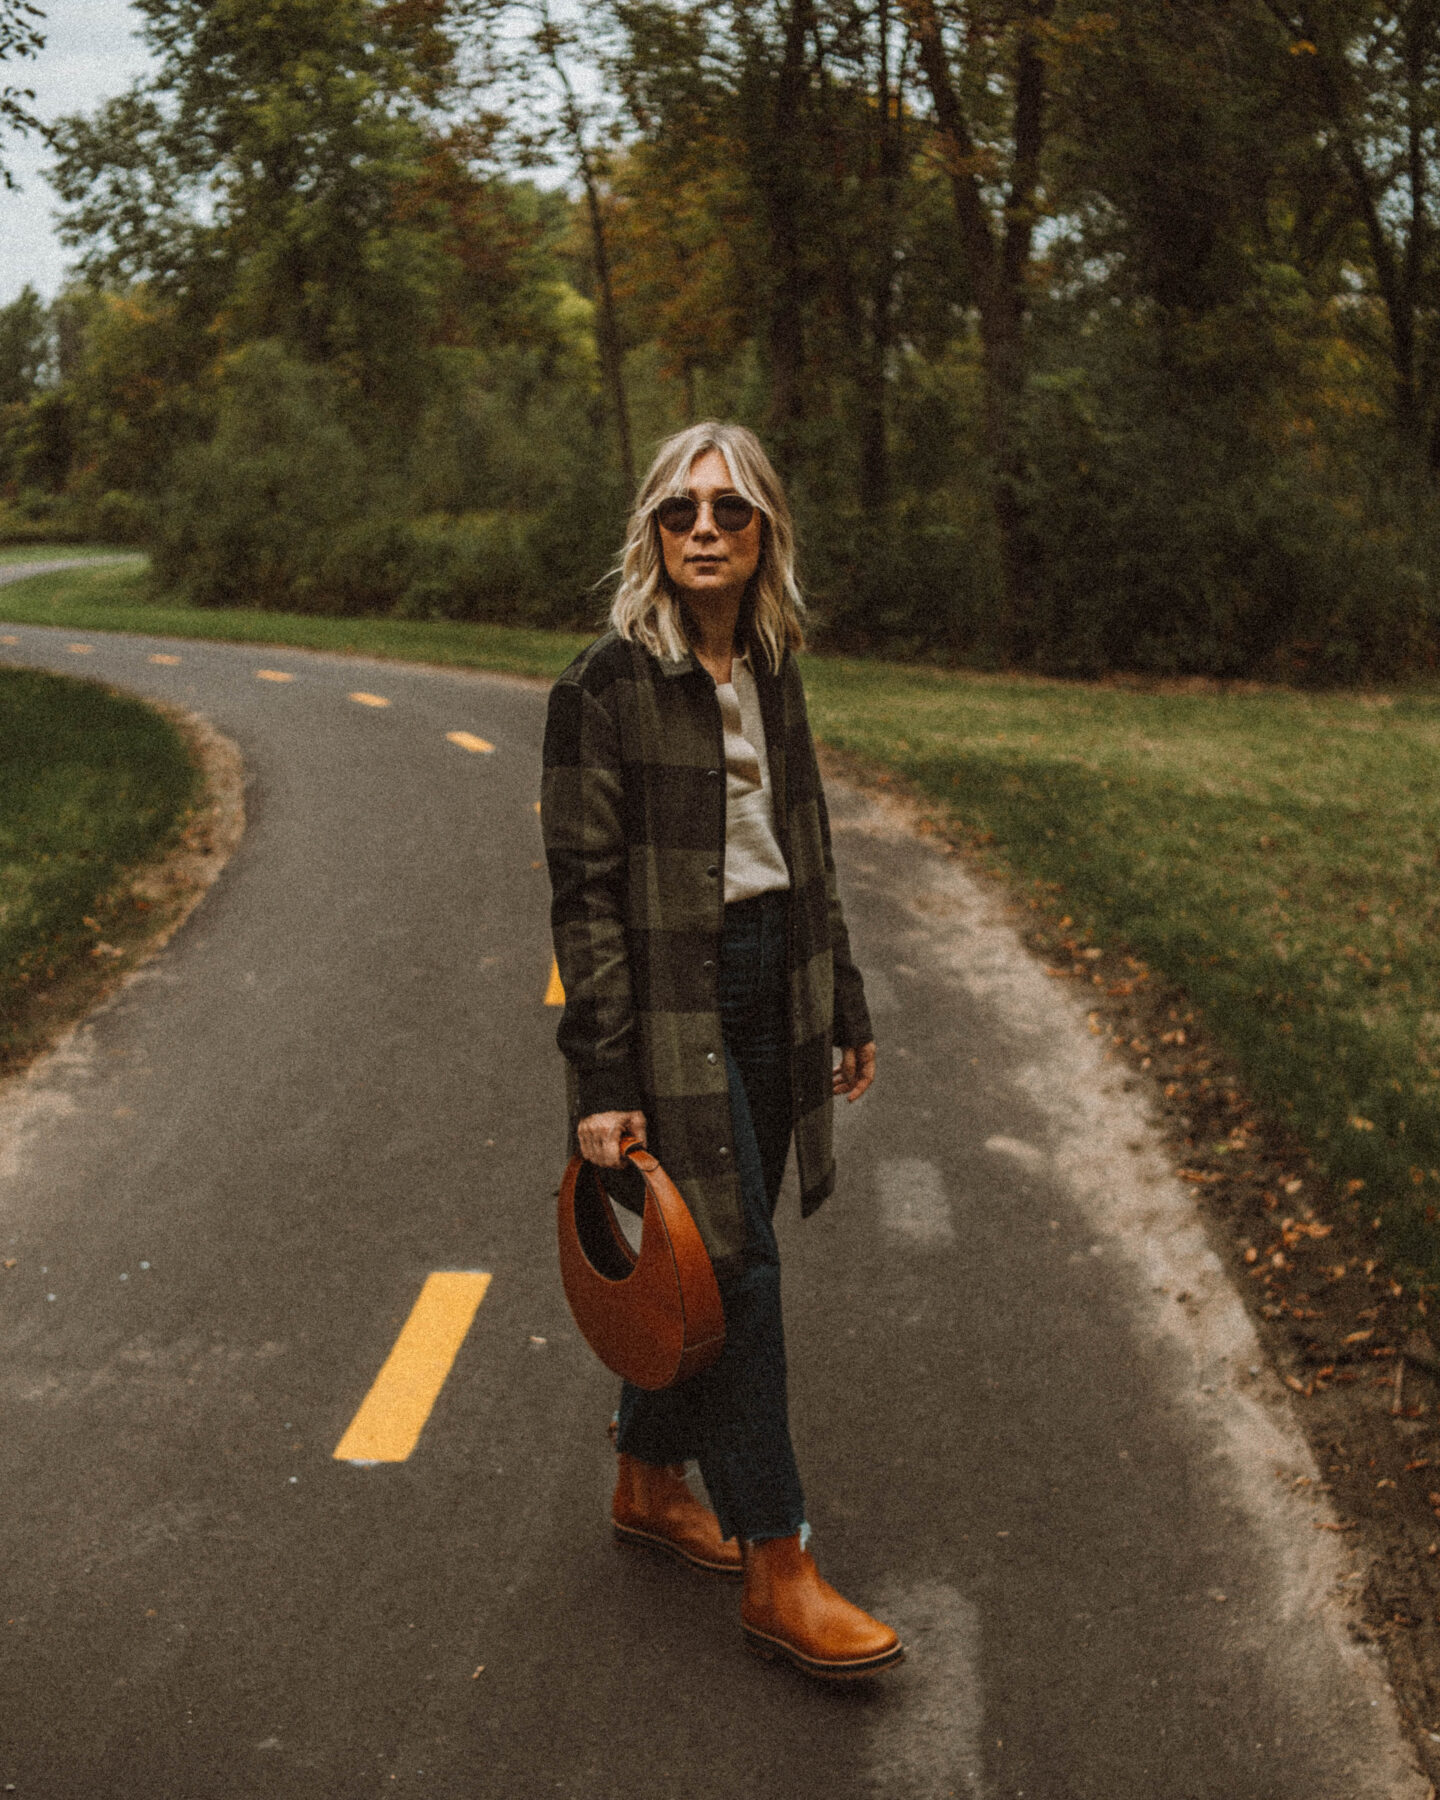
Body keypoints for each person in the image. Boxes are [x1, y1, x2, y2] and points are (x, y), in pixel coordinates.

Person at [541, 421, 902, 1680]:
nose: (705, 528)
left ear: (764, 539)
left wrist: (842, 997)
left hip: (771, 980)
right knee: (738, 1269)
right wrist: (603, 1079)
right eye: (682, 510)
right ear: (652, 532)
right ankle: (777, 1560)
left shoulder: (777, 669)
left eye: (731, 512)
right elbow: (585, 898)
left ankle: (647, 1476)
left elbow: (808, 848)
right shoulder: (603, 687)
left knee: (708, 1255)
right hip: (675, 1001)